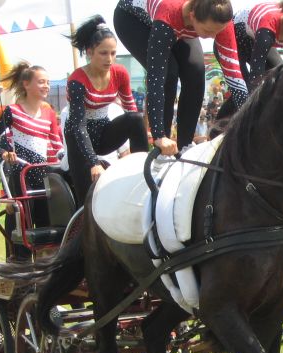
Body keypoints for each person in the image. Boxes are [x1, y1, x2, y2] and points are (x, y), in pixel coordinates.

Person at [113, 0, 247, 156]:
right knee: (169, 72)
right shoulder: (169, 12)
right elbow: (156, 80)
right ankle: (162, 149)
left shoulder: (220, 22)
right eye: (208, 30)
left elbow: (234, 75)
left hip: (176, 22)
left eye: (217, 31)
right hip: (132, 19)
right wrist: (159, 136)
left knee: (196, 70)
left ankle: (185, 145)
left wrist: (250, 116)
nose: (213, 37)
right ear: (192, 16)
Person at [0, 61, 64, 261]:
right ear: (26, 84)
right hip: (20, 175)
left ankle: (45, 268)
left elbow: (57, 146)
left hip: (43, 175)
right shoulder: (13, 111)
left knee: (46, 226)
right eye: (41, 82)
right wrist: (4, 153)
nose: (46, 86)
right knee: (20, 221)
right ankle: (18, 264)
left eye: (48, 82)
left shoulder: (49, 114)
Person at [65, 15, 148, 206]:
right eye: (103, 53)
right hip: (79, 137)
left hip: (103, 132)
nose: (109, 59)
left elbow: (131, 110)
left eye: (113, 53)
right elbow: (79, 126)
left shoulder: (120, 73)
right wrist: (94, 162)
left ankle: (145, 169)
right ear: (89, 52)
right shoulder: (77, 80)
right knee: (87, 201)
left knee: (135, 118)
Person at [59, 102, 131, 171]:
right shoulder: (114, 109)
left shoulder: (66, 110)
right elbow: (125, 152)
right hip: (105, 167)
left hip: (73, 165)